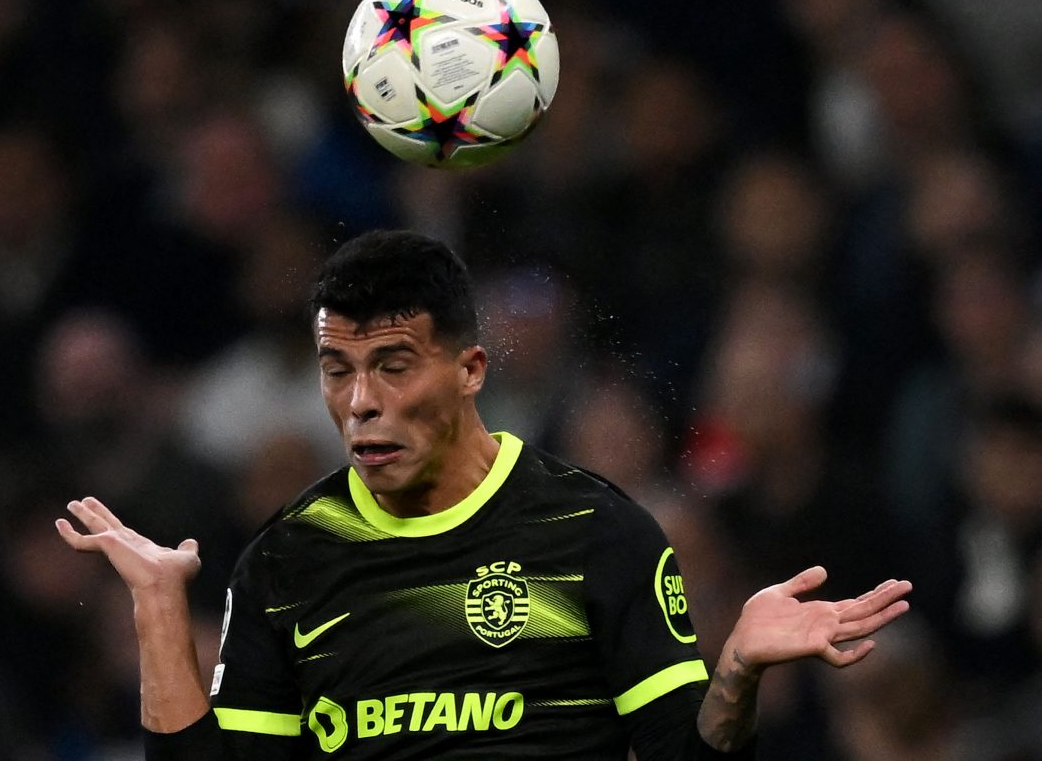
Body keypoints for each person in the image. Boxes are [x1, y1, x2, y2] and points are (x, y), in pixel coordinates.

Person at [56, 229, 912, 759]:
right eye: (337, 370)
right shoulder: (286, 559)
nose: (361, 402)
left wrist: (734, 673)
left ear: (470, 370)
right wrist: (161, 609)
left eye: (393, 366)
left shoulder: (593, 529)